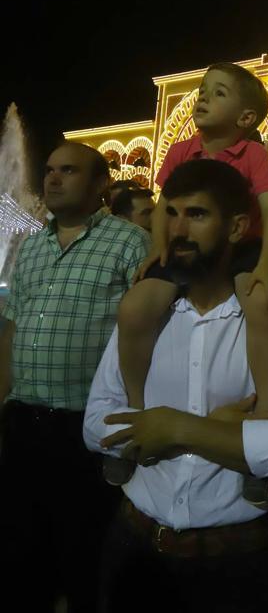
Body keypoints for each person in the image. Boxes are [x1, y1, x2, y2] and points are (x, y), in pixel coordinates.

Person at [84, 159, 268, 613]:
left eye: (196, 215)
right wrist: (225, 433)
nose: (177, 229)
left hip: (233, 563)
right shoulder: (148, 314)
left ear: (236, 228)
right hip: (135, 546)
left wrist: (173, 429)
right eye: (170, 213)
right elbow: (97, 426)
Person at [115, 63, 268, 506]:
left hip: (239, 250)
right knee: (135, 307)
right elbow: (162, 206)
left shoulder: (252, 154)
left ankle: (263, 416)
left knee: (262, 304)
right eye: (203, 91)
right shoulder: (180, 150)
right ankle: (135, 411)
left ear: (246, 118)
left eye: (219, 92)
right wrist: (159, 249)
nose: (202, 98)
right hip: (187, 253)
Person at [0, 141, 151, 612]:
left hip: (86, 428)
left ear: (101, 183)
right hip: (25, 422)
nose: (52, 179)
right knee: (24, 558)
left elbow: (146, 334)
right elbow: (13, 327)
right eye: (48, 170)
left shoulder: (128, 242)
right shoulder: (32, 247)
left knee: (84, 556)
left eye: (69, 171)